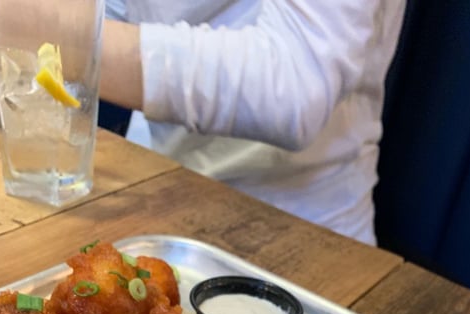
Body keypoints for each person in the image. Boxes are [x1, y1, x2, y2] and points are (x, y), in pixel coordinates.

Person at [100, 2, 407, 244]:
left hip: (301, 232)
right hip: (151, 205)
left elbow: (296, 83)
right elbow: (119, 14)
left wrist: (73, 34)